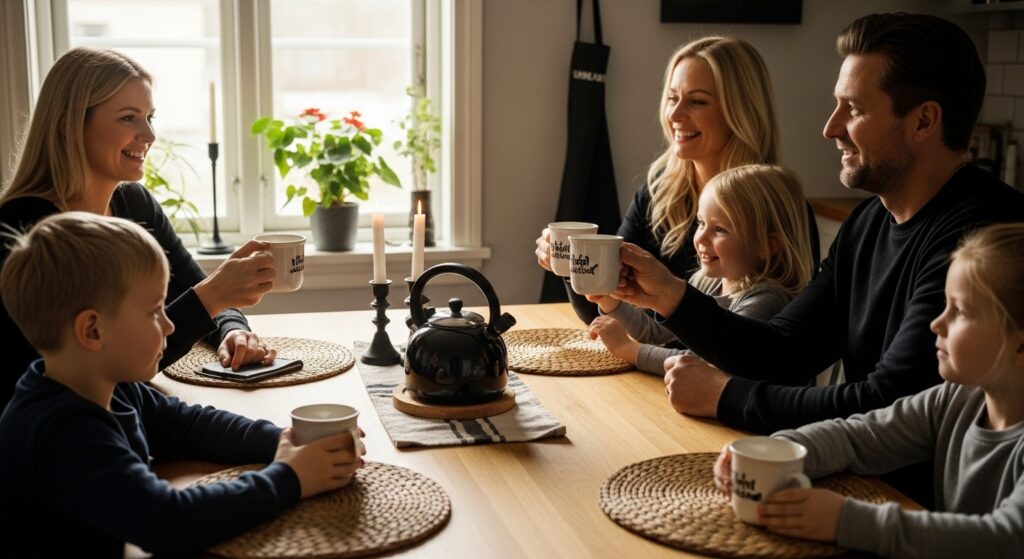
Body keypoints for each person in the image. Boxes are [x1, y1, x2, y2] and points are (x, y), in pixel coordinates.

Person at [610, 12, 1024, 504]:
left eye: (853, 109)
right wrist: (674, 296)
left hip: (924, 509)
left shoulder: (980, 236)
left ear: (923, 121)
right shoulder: (869, 222)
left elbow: (886, 402)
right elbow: (783, 350)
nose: (831, 128)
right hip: (862, 481)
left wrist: (727, 395)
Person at [0, 212, 365, 557]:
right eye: (154, 311)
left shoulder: (106, 384)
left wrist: (283, 439)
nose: (170, 325)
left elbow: (185, 425)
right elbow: (168, 521)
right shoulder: (63, 432)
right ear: (92, 330)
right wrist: (290, 477)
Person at [712, 223, 1024, 558]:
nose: (937, 323)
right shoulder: (954, 398)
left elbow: (1003, 539)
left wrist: (845, 520)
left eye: (959, 311)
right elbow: (858, 436)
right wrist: (777, 452)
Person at [0, 47, 276, 407]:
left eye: (150, 117)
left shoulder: (134, 204)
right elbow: (109, 366)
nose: (149, 135)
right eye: (129, 118)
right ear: (68, 125)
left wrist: (234, 330)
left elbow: (196, 288)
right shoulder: (23, 230)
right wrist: (213, 296)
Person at [534, 36, 819, 325]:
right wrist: (575, 267)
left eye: (697, 101)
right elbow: (608, 313)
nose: (675, 114)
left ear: (741, 112)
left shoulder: (776, 208)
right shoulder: (658, 191)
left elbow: (788, 343)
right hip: (653, 363)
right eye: (672, 98)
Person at [588, 164, 813, 374]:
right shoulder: (706, 283)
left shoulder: (766, 299)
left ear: (767, 245)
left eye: (720, 229)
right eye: (701, 223)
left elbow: (706, 363)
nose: (700, 238)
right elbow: (656, 334)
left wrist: (630, 351)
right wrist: (611, 302)